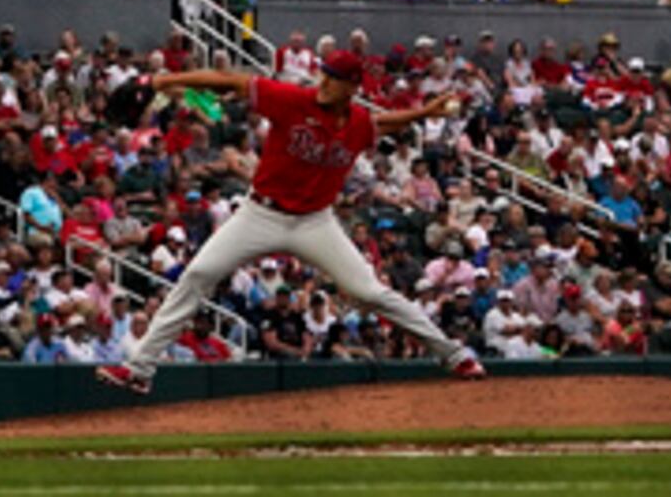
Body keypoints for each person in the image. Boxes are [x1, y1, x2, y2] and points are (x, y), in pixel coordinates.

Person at [94, 48, 485, 392]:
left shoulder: (359, 122)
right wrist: (160, 79)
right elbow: (227, 80)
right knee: (198, 275)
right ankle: (139, 368)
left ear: (351, 85)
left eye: (333, 76)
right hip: (260, 213)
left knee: (369, 292)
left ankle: (453, 355)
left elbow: (384, 124)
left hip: (315, 222)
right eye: (324, 72)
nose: (324, 80)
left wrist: (427, 112)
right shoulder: (293, 99)